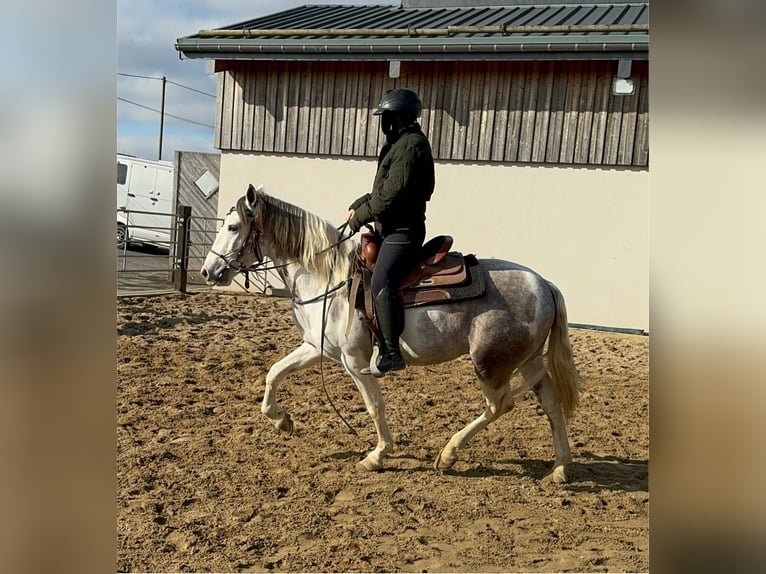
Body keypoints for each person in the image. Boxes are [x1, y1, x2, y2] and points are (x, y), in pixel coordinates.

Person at [345, 88, 435, 377]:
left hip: (403, 232)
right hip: (390, 228)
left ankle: (391, 352)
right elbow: (379, 192)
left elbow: (389, 198)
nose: (385, 124)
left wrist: (359, 217)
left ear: (400, 118)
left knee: (382, 279)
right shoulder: (399, 145)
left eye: (388, 118)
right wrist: (357, 205)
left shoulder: (410, 147)